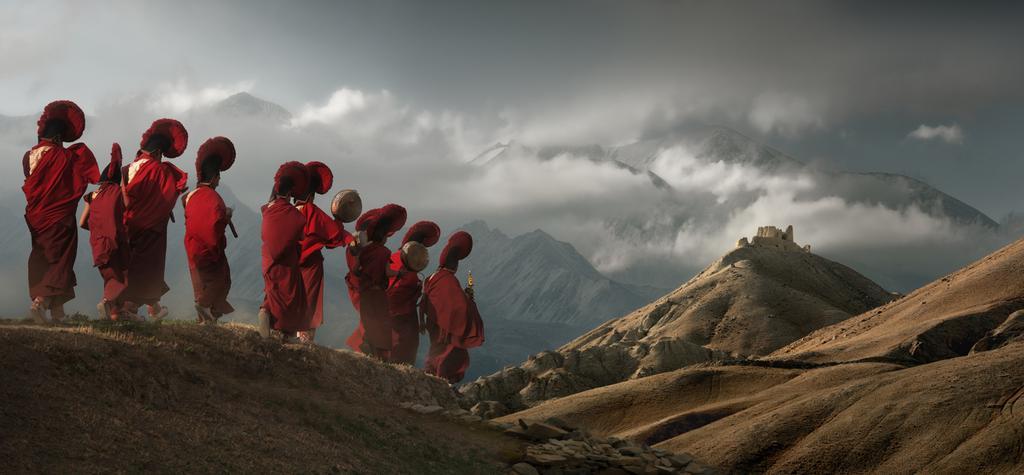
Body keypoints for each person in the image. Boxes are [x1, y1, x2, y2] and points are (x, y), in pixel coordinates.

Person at [23, 100, 99, 323]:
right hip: (59, 217)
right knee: (60, 259)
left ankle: (58, 313)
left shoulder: (28, 157)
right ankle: (42, 302)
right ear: (58, 138)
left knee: (43, 255)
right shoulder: (65, 158)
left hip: (37, 218)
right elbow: (82, 178)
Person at [121, 118, 188, 321]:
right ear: (159, 153)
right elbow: (167, 198)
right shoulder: (160, 170)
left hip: (126, 225)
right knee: (147, 266)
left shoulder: (125, 169)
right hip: (150, 227)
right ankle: (128, 309)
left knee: (133, 265)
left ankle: (154, 308)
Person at [295, 161, 354, 343]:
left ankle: (286, 331)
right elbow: (334, 233)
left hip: (288, 263)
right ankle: (304, 338)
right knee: (308, 300)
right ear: (312, 193)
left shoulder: (287, 211)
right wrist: (348, 234)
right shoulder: (312, 211)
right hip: (309, 266)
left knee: (290, 296)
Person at [183, 137, 236, 325]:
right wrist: (227, 215)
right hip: (210, 248)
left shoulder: (190, 195)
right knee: (221, 280)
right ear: (214, 177)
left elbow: (190, 210)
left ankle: (204, 319)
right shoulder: (215, 198)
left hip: (192, 248)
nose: (219, 182)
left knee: (200, 285)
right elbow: (215, 223)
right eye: (219, 177)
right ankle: (206, 306)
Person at [345, 204, 407, 359]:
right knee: (382, 324)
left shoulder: (364, 250)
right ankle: (380, 356)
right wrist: (399, 273)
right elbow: (387, 271)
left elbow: (356, 269)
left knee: (368, 322)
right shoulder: (385, 252)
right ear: (383, 236)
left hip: (365, 293)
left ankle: (368, 348)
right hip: (379, 295)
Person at [422, 231, 485, 384]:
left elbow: (447, 300)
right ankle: (443, 384)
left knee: (437, 353)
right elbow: (458, 306)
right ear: (454, 265)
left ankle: (434, 381)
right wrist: (469, 300)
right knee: (451, 357)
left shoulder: (435, 276)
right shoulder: (448, 280)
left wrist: (463, 296)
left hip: (435, 322)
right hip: (446, 328)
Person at [258, 161, 309, 342]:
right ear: (289, 193)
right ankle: (286, 334)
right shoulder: (295, 215)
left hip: (268, 259)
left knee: (273, 290)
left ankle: (265, 312)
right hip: (286, 262)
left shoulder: (267, 210)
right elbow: (301, 236)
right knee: (290, 296)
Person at [81, 143, 132, 321]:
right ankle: (106, 302)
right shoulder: (117, 192)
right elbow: (128, 205)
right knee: (121, 277)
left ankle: (116, 315)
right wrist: (124, 184)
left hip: (98, 243)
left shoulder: (93, 195)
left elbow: (82, 222)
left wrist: (98, 229)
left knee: (110, 277)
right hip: (115, 241)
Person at [387, 221, 441, 365]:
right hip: (405, 317)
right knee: (405, 348)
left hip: (388, 312)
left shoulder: (394, 257)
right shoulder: (410, 266)